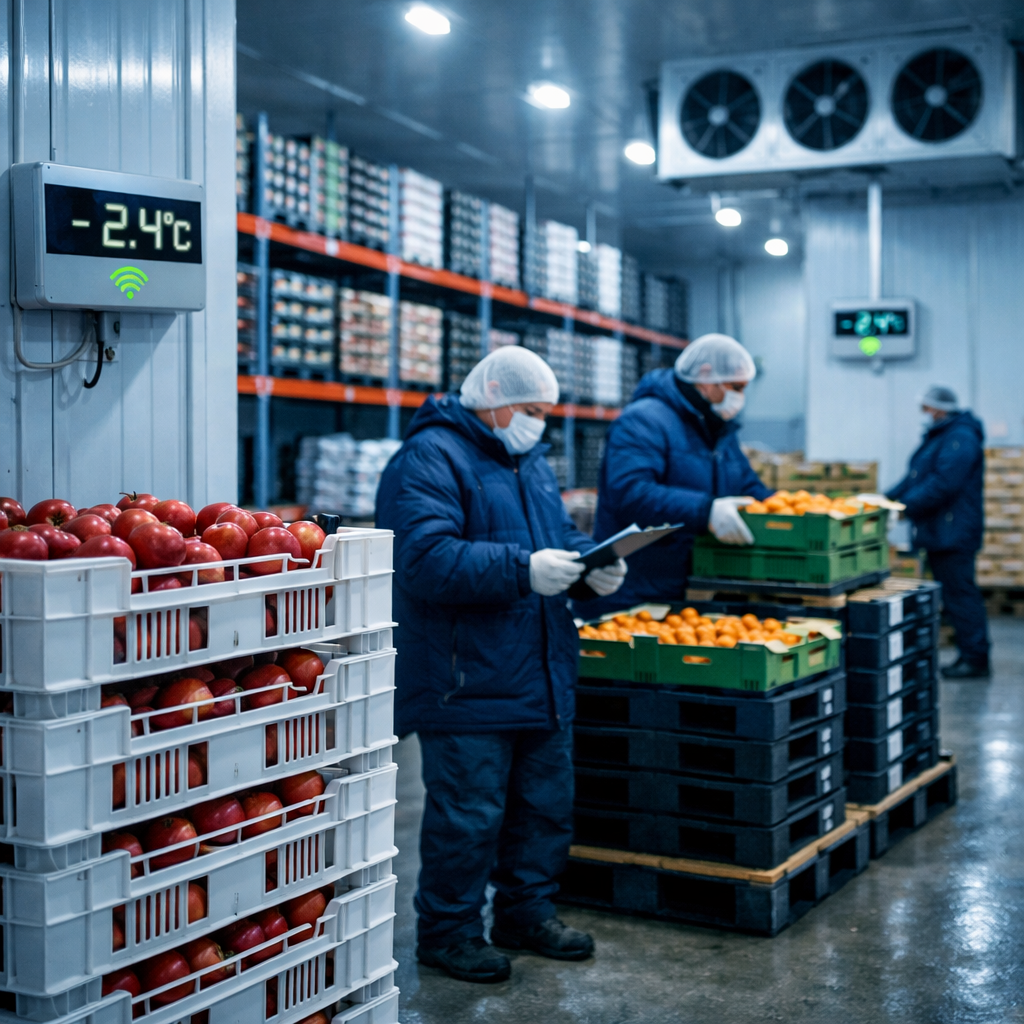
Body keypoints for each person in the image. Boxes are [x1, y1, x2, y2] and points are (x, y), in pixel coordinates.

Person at [375, 346, 627, 984]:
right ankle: (449, 932)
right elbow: (425, 559)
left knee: (544, 806)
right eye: (532, 410)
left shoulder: (529, 460)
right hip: (467, 678)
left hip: (539, 667)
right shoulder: (429, 458)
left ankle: (526, 913)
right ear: (492, 396)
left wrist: (590, 565)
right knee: (469, 814)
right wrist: (523, 570)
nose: (538, 423)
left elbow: (556, 539)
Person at [589, 333, 771, 609]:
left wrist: (794, 510)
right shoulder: (643, 421)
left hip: (691, 583)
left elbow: (746, 485)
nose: (740, 397)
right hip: (634, 588)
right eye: (736, 386)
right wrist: (705, 511)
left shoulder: (719, 428)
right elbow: (631, 493)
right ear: (706, 377)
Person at [887, 385, 990, 678]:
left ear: (939, 409)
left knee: (960, 595)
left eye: (927, 408)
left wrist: (904, 508)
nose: (925, 414)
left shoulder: (960, 437)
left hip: (954, 532)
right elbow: (915, 478)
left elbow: (943, 484)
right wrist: (885, 500)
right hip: (941, 530)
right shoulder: (942, 436)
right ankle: (970, 654)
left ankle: (975, 657)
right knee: (955, 594)